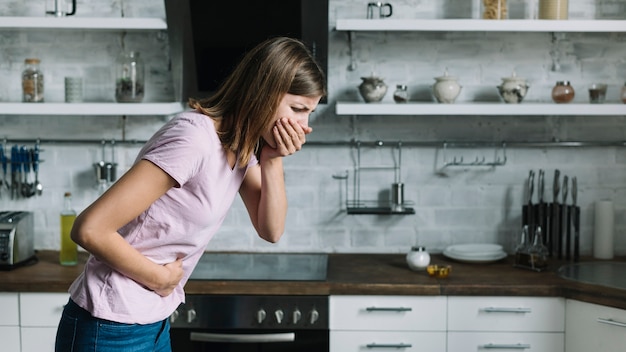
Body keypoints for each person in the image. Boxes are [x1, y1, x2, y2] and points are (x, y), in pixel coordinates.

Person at [55, 36, 326, 352]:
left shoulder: (238, 145)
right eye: (298, 109)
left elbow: (271, 230)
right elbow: (89, 228)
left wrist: (273, 158)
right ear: (262, 93)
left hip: (153, 322)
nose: (304, 126)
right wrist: (159, 279)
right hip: (109, 325)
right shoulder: (193, 139)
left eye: (310, 113)